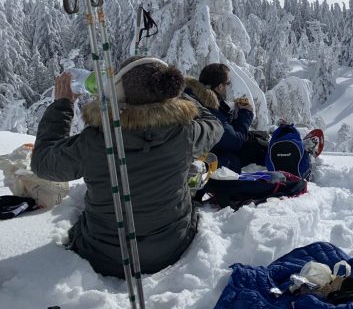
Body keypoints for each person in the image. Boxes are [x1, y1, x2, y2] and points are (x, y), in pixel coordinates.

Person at [31, 57, 224, 278]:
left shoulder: (95, 141)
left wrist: (62, 105)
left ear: (118, 92)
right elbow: (214, 125)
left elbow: (42, 163)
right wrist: (182, 101)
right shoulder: (185, 133)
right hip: (171, 248)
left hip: (102, 254)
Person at [184, 63, 267, 173]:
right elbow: (235, 142)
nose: (229, 86)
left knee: (258, 137)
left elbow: (225, 132)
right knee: (255, 148)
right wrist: (246, 114)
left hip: (202, 153)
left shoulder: (196, 97)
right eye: (228, 83)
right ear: (220, 87)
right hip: (204, 164)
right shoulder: (208, 108)